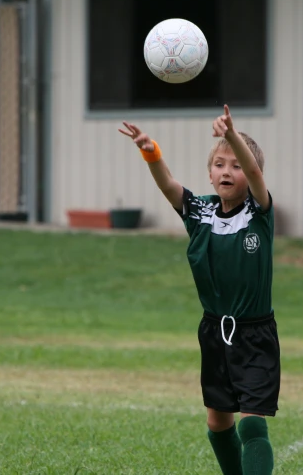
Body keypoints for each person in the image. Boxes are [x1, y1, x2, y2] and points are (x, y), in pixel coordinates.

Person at [118, 105, 280, 475]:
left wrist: (233, 135)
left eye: (236, 165)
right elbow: (168, 184)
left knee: (251, 422)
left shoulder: (259, 210)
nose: (228, 171)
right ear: (209, 174)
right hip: (214, 331)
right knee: (218, 423)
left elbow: (253, 170)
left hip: (255, 333)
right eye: (220, 164)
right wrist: (150, 150)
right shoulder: (200, 212)